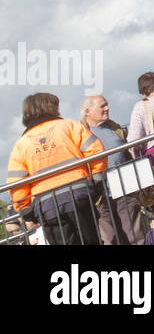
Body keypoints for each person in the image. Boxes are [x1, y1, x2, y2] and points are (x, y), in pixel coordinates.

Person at [7, 93, 106, 245]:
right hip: (79, 193)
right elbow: (96, 152)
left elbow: (16, 183)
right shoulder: (71, 126)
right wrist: (97, 180)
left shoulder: (21, 144)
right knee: (91, 240)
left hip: (47, 205)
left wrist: (26, 211)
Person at [82, 94, 146, 245]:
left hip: (124, 186)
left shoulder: (113, 127)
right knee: (111, 238)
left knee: (134, 233)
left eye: (107, 104)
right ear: (87, 112)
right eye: (102, 106)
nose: (107, 108)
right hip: (100, 194)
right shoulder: (80, 133)